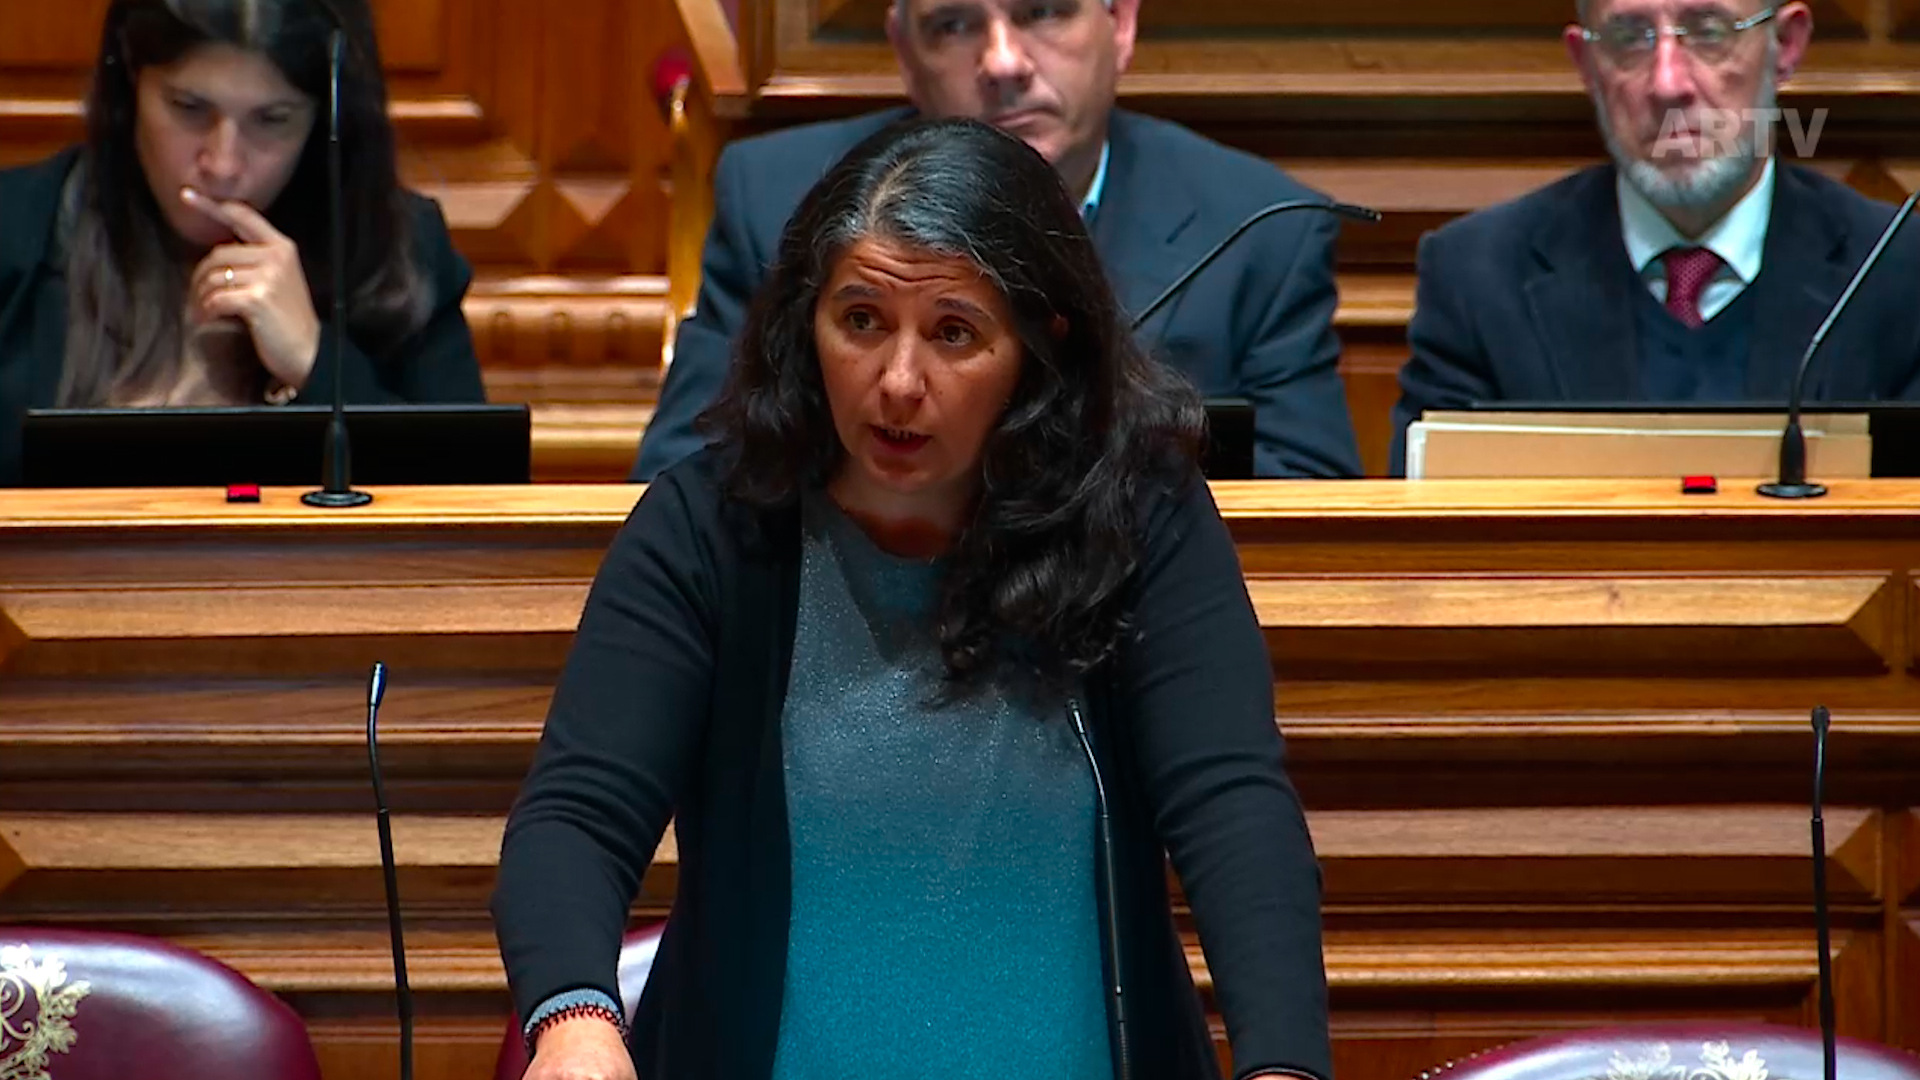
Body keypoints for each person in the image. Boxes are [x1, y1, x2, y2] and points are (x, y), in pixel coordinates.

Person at [492, 117, 1330, 1080]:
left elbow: (1233, 809)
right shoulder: (710, 526)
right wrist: (575, 1018)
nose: (897, 381)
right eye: (861, 321)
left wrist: (1282, 1067)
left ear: (1041, 345)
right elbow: (577, 816)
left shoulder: (1139, 516)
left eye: (953, 333)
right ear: (808, 322)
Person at [631, 0, 1362, 482]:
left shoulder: (1261, 225)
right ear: (904, 52)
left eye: (1043, 11)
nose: (1003, 62)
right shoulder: (777, 200)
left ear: (1122, 26)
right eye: (954, 25)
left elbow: (1306, 508)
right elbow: (684, 472)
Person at [1390, 0, 1920, 474]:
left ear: (1784, 45)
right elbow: (1431, 537)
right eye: (1629, 37)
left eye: (1709, 32)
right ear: (1586, 64)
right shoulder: (1479, 279)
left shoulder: (1900, 270)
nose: (1668, 84)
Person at [0, 0, 486, 486]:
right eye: (188, 108)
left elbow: (472, 498)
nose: (223, 165)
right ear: (131, 76)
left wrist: (315, 362)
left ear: (324, 117)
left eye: (272, 119)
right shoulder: (16, 229)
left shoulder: (401, 251)